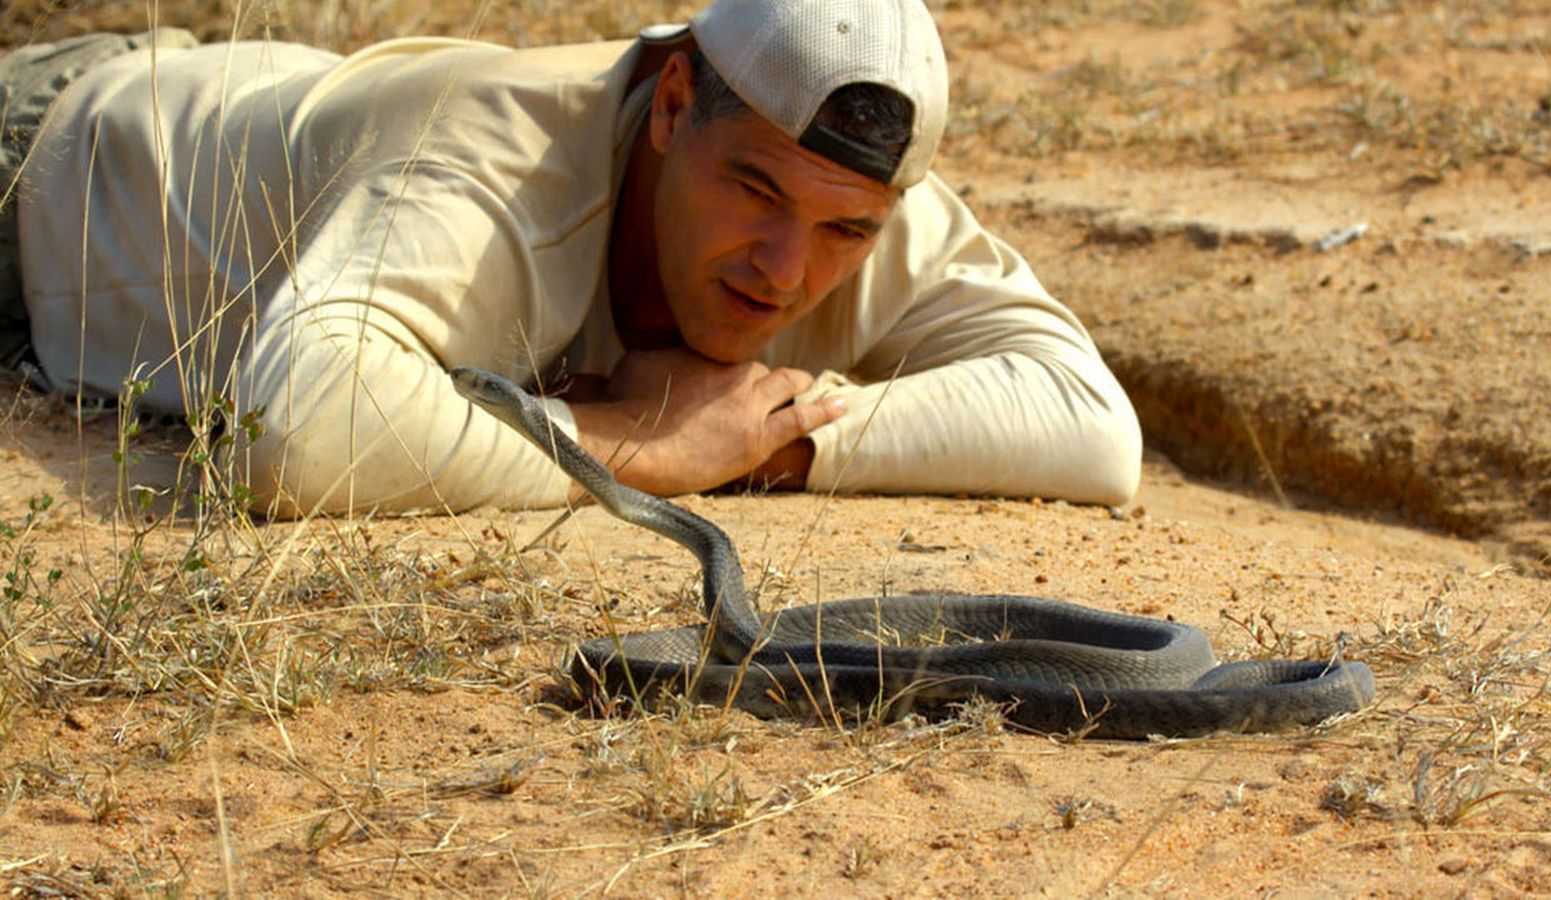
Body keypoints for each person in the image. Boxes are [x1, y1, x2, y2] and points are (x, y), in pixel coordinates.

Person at [0, 0, 1142, 517]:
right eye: (753, 191)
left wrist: (770, 442)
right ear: (673, 102)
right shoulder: (488, 161)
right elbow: (295, 431)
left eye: (844, 230)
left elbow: (1087, 423)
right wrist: (634, 445)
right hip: (51, 154)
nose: (788, 271)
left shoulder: (847, 183)